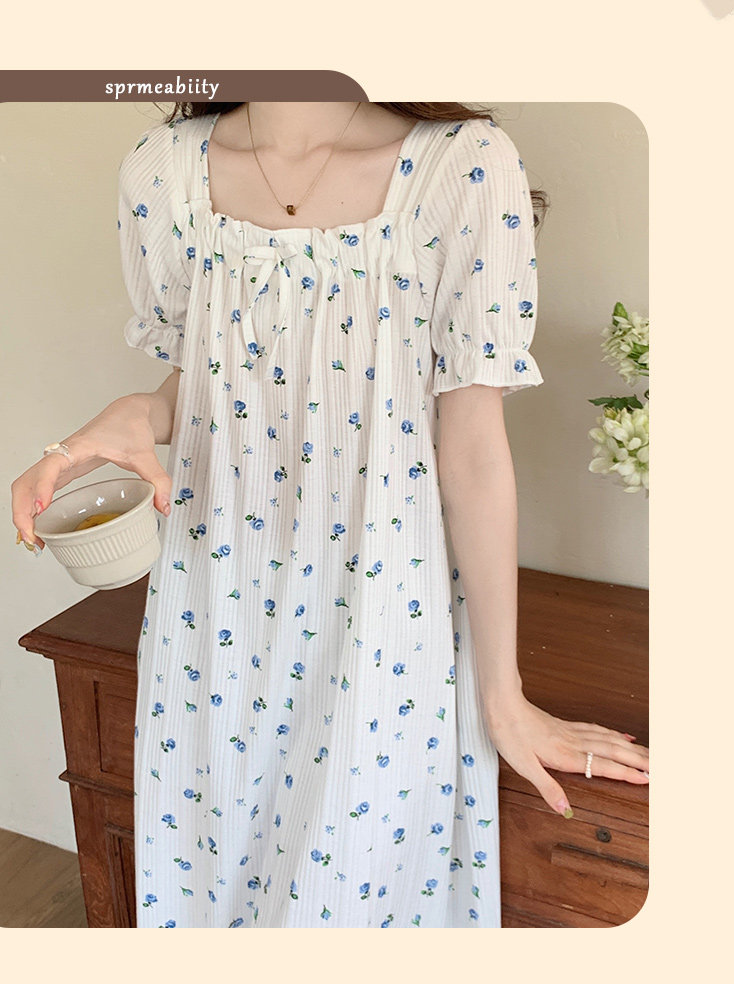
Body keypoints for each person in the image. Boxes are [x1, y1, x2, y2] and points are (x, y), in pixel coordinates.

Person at [10, 101, 648, 928]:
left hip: (382, 623)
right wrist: (134, 415)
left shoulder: (463, 165)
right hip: (211, 626)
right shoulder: (162, 170)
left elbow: (474, 453)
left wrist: (504, 693)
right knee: (208, 899)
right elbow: (208, 370)